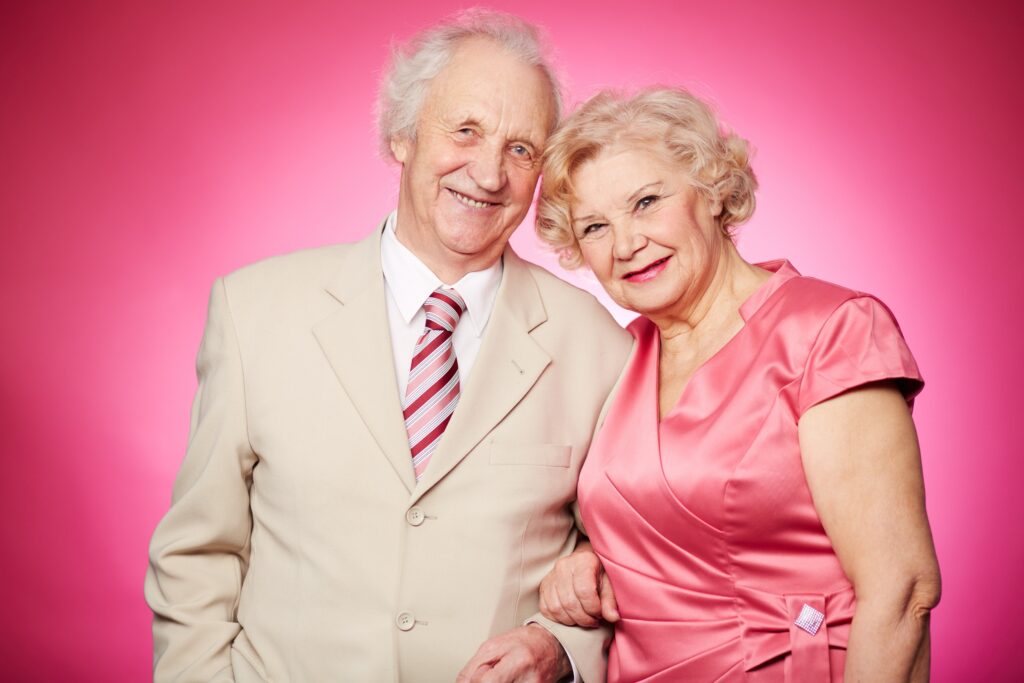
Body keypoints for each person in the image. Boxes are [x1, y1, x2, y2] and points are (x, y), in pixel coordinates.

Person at [144, 10, 631, 682]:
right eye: (465, 131)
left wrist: (559, 648)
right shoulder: (253, 310)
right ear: (402, 135)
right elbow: (198, 552)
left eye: (521, 149)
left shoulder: (599, 347)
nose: (489, 173)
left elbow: (620, 559)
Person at [533, 87, 941, 681]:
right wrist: (588, 558)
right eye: (595, 227)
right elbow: (662, 515)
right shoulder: (621, 354)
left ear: (713, 190)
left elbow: (901, 589)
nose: (625, 245)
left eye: (646, 201)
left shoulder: (828, 331)